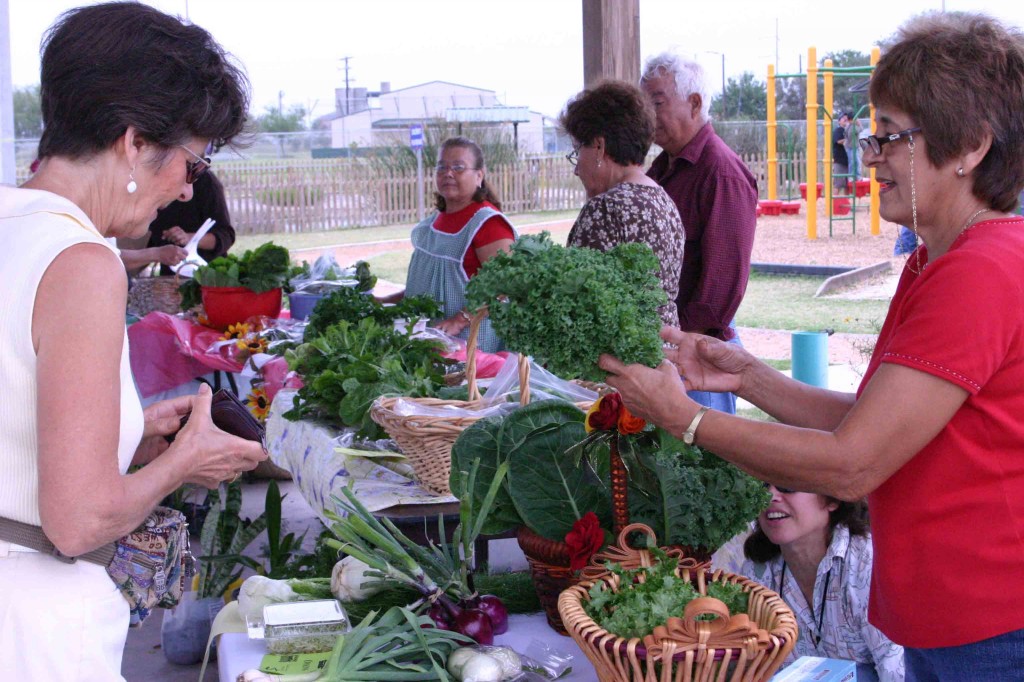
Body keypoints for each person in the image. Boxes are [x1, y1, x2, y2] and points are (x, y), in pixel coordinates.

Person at [600, 13, 1024, 680]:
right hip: (948, 618)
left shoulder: (981, 269)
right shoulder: (937, 261)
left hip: (991, 628)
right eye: (873, 133)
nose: (873, 154)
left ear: (970, 145)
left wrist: (687, 417)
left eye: (891, 136)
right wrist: (746, 378)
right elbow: (873, 422)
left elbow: (854, 465)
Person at [0, 4, 267, 680]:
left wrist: (129, 434)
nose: (188, 185)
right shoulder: (82, 261)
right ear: (131, 141)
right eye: (191, 162)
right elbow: (80, 521)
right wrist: (184, 463)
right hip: (35, 627)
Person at [640, 52, 757, 414]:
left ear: (694, 103)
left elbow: (721, 287)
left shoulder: (721, 172)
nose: (648, 115)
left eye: (656, 103)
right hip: (668, 345)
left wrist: (678, 344)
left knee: (702, 462)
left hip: (698, 350)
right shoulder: (662, 168)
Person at [740, 487, 904, 681]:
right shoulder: (755, 573)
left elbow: (897, 668)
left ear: (832, 500)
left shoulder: (868, 560)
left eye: (787, 486)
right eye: (762, 486)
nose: (771, 496)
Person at [560, 81, 685, 327]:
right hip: (665, 352)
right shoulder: (663, 199)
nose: (576, 168)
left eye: (578, 150)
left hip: (617, 362)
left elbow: (577, 303)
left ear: (598, 146)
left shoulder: (606, 208)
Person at [381, 136, 516, 352]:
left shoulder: (489, 224)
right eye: (441, 167)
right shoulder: (435, 221)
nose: (448, 173)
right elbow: (424, 285)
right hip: (429, 340)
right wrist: (385, 301)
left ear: (479, 175)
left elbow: (505, 287)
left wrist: (460, 319)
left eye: (458, 167)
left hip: (470, 348)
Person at [144, 170, 235, 275]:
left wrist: (189, 238)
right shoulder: (150, 184)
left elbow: (226, 236)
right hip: (170, 280)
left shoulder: (205, 181)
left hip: (209, 278)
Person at [833, 112, 851, 192]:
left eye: (846, 118)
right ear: (839, 121)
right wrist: (848, 139)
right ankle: (834, 201)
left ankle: (846, 201)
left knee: (847, 185)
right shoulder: (838, 130)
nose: (845, 119)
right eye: (843, 118)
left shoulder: (848, 130)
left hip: (847, 161)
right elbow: (838, 141)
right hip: (840, 160)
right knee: (838, 184)